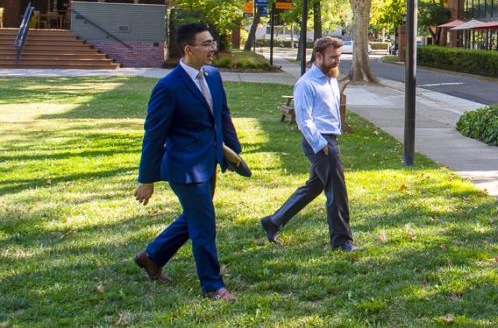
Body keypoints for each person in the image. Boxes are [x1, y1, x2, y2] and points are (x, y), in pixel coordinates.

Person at [133, 22, 242, 301]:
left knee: (194, 217)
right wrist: (146, 179)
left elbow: (222, 116)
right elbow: (154, 135)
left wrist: (234, 153)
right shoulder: (168, 87)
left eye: (213, 42)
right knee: (204, 224)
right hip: (184, 169)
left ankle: (151, 256)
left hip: (209, 163)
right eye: (207, 44)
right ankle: (212, 285)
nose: (213, 48)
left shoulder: (214, 76)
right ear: (188, 49)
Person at [260, 36, 360, 252]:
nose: (337, 62)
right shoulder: (306, 83)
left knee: (313, 187)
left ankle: (273, 221)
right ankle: (342, 241)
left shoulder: (330, 79)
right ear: (318, 56)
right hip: (321, 142)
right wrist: (321, 145)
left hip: (329, 138)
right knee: (337, 192)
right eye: (333, 58)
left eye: (339, 57)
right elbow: (304, 120)